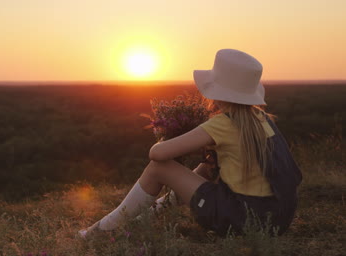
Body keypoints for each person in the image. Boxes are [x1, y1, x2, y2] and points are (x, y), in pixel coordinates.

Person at [78, 49, 302, 239]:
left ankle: (103, 230)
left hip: (242, 220)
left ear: (218, 91)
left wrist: (172, 135)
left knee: (159, 169)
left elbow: (157, 154)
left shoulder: (223, 124)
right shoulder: (261, 120)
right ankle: (148, 214)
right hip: (276, 221)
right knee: (209, 164)